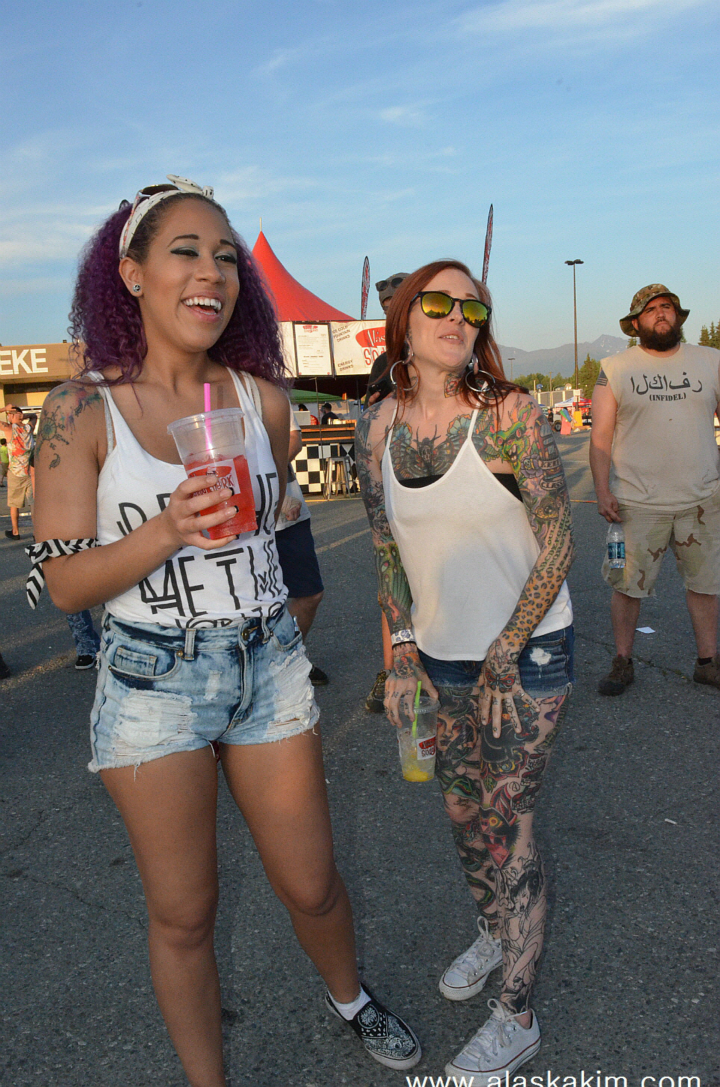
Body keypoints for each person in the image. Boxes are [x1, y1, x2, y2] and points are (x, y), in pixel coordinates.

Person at [30, 175, 420, 1087]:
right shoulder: (79, 409)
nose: (213, 272)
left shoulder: (260, 400)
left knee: (312, 881)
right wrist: (167, 529)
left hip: (266, 660)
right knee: (184, 914)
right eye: (186, 252)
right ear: (130, 274)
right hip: (150, 680)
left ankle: (351, 997)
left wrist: (280, 603)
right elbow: (59, 583)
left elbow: (276, 522)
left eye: (227, 257)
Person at [356, 260, 575, 1085]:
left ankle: (515, 1016)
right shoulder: (376, 427)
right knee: (460, 812)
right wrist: (401, 649)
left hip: (528, 652)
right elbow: (386, 545)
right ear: (405, 321)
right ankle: (495, 930)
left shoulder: (511, 414)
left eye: (473, 308)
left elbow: (558, 541)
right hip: (440, 653)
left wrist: (507, 647)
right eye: (440, 303)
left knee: (508, 820)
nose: (459, 317)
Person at [591, 284, 720, 695]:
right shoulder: (615, 368)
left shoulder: (711, 360)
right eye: (651, 310)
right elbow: (600, 437)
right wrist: (602, 491)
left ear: (677, 317)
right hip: (636, 503)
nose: (661, 313)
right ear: (635, 324)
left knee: (706, 584)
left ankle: (707, 663)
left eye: (667, 307)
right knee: (626, 585)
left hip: (702, 499)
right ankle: (622, 661)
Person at [363, 273, 409, 713]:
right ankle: (390, 669)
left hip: (446, 484)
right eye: (385, 306)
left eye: (398, 302)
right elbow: (370, 424)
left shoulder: (453, 353)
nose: (391, 311)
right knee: (391, 584)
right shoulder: (383, 363)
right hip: (394, 485)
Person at [276, 401, 329, 686]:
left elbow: (294, 439)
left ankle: (289, 659)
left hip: (289, 510)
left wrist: (270, 481)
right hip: (239, 518)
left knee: (310, 594)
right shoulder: (209, 389)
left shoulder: (269, 389)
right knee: (253, 604)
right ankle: (264, 669)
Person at [0, 405, 34, 539]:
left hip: (15, 473)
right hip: (29, 472)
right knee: (33, 504)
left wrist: (4, 408)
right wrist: (23, 416)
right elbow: (34, 416)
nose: (8, 416)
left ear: (12, 415)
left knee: (14, 505)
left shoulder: (9, 429)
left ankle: (15, 532)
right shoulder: (29, 428)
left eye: (9, 414)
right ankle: (37, 532)